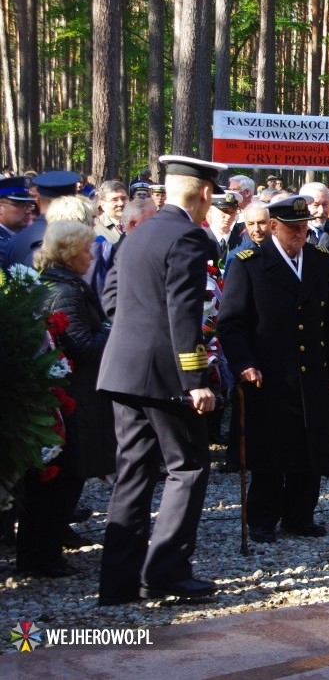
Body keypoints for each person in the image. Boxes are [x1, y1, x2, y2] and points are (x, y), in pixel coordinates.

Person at [96, 155, 224, 605]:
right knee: (187, 467)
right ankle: (166, 570)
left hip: (122, 369)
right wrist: (195, 379)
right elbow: (182, 312)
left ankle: (117, 582)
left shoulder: (139, 231)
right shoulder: (188, 236)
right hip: (164, 375)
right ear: (205, 193)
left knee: (132, 473)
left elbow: (111, 301)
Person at [218, 195, 329, 543]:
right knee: (270, 449)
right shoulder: (250, 263)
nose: (300, 235)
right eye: (292, 230)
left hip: (312, 370)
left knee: (310, 446)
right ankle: (262, 517)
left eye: (303, 228)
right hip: (269, 373)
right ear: (273, 227)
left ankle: (300, 515)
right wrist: (244, 363)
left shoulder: (318, 260)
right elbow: (231, 324)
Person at [17, 219, 114, 577]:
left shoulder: (60, 283)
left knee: (55, 481)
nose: (92, 256)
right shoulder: (67, 291)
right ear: (71, 253)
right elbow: (82, 348)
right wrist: (111, 328)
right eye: (87, 249)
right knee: (60, 481)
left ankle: (40, 552)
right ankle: (41, 556)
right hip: (69, 401)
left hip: (66, 398)